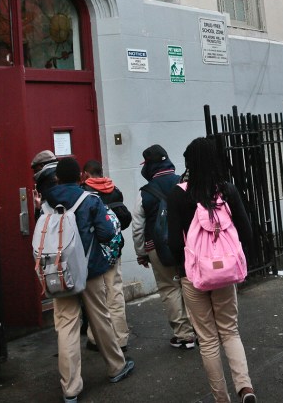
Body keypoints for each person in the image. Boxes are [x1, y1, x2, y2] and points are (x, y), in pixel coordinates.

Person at [167, 136, 256, 403]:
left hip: (193, 276)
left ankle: (221, 398)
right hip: (225, 273)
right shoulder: (226, 191)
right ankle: (245, 388)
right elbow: (246, 230)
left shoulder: (177, 194)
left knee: (207, 339)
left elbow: (173, 241)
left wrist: (182, 270)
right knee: (230, 330)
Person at [43, 157, 134, 403]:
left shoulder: (46, 203)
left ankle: (70, 388)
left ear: (57, 179)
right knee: (100, 318)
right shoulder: (90, 200)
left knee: (66, 325)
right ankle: (116, 366)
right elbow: (105, 232)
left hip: (59, 271)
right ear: (80, 177)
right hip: (89, 268)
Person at [131, 144, 197, 349]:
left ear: (149, 166)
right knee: (190, 285)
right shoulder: (184, 183)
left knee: (169, 288)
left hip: (157, 247)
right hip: (187, 244)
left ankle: (183, 334)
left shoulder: (145, 193)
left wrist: (142, 253)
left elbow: (137, 227)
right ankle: (200, 329)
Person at [81, 159, 131, 352]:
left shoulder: (84, 193)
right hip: (114, 248)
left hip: (94, 251)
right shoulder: (114, 189)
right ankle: (120, 338)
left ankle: (96, 339)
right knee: (115, 291)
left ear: (86, 174)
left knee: (97, 297)